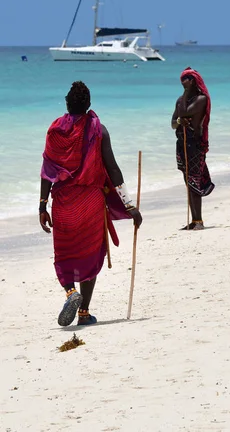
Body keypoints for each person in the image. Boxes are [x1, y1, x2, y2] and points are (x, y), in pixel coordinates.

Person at [39, 81, 142, 327]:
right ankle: (84, 311)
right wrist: (129, 205)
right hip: (90, 202)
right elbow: (113, 169)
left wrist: (42, 205)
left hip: (63, 203)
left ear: (67, 103)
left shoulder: (55, 131)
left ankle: (69, 292)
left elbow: (47, 170)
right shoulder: (99, 130)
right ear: (89, 105)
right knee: (91, 251)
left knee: (64, 254)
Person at [171, 67, 215, 230]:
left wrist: (185, 95)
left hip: (195, 144)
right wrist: (179, 122)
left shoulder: (201, 99)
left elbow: (184, 113)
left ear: (193, 80)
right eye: (182, 79)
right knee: (187, 180)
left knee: (193, 180)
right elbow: (173, 122)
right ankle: (194, 220)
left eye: (186, 79)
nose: (183, 82)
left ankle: (198, 221)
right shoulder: (180, 100)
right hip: (182, 143)